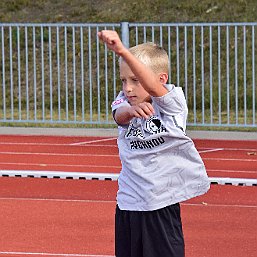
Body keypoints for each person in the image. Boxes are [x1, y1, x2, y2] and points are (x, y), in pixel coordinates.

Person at [98, 30, 210, 257]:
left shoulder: (173, 103)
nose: (127, 88)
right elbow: (118, 115)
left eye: (135, 80)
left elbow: (152, 85)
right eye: (123, 81)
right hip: (128, 204)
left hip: (160, 203)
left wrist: (122, 51)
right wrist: (129, 111)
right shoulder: (125, 101)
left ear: (161, 79)